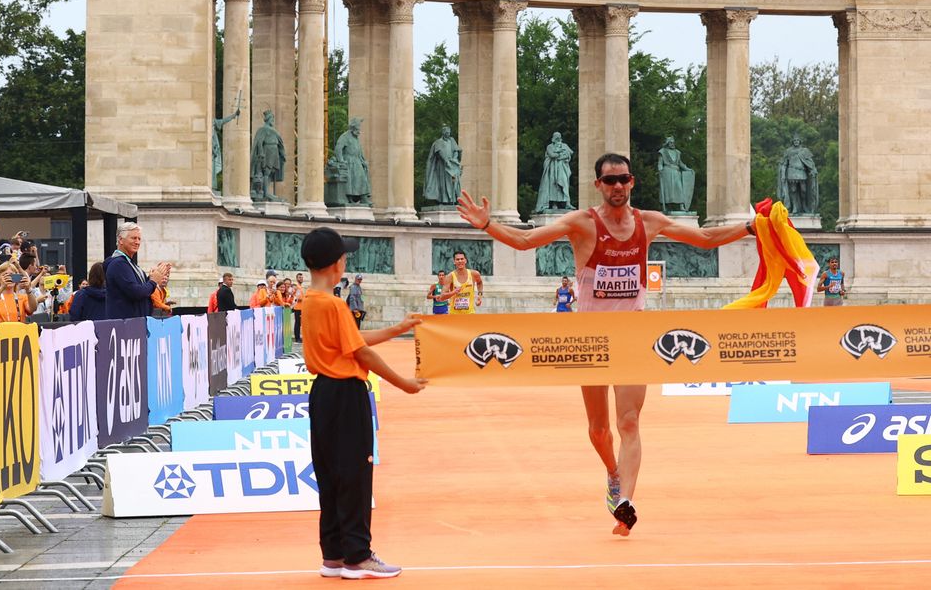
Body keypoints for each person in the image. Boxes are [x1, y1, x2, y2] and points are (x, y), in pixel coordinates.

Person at [457, 151, 754, 536]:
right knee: (599, 430)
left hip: (632, 337)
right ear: (598, 185)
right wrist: (487, 226)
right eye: (610, 180)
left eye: (623, 179)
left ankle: (626, 501)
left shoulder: (650, 222)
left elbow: (707, 238)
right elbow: (526, 241)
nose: (617, 186)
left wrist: (750, 227)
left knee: (629, 421)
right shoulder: (582, 223)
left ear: (632, 182)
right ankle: (613, 473)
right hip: (591, 341)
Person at [299, 227, 427, 580]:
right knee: (354, 474)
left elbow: (352, 339)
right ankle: (358, 555)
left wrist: (398, 328)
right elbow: (360, 351)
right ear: (336, 264)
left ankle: (335, 553)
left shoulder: (310, 300)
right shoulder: (334, 304)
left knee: (330, 474)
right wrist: (404, 383)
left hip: (323, 393)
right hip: (346, 394)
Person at [104, 222, 170, 319]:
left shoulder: (129, 263)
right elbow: (136, 292)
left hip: (135, 323)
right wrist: (153, 281)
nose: (137, 242)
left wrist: (156, 277)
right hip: (125, 326)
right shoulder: (119, 264)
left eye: (139, 239)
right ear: (120, 240)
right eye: (133, 238)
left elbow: (140, 289)